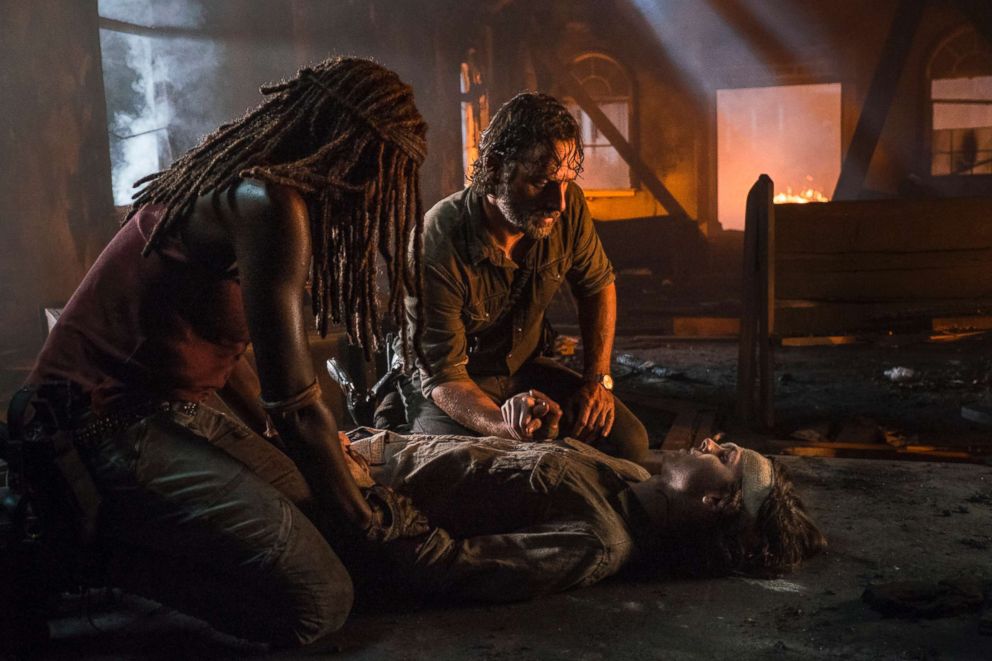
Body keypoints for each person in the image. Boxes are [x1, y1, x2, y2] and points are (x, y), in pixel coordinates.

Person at [27, 57, 433, 648]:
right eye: (381, 170)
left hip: (166, 413)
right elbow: (296, 404)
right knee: (321, 601)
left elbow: (231, 354)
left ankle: (140, 532)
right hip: (96, 428)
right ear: (346, 150)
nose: (377, 192)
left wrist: (286, 448)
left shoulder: (252, 192)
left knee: (326, 517)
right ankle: (96, 557)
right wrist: (365, 520)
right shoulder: (265, 201)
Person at [403, 92, 649, 461]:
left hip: (525, 370)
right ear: (496, 168)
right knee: (465, 464)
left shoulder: (568, 206)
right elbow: (443, 378)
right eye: (539, 182)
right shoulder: (436, 242)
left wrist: (597, 380)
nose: (558, 202)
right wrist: (510, 429)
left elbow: (597, 284)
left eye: (565, 181)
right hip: (458, 387)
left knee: (630, 444)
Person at [341, 432, 827, 601]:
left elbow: (442, 565)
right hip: (370, 446)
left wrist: (361, 490)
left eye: (724, 456)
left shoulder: (597, 541)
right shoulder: (630, 475)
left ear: (716, 502)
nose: (710, 443)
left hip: (342, 493)